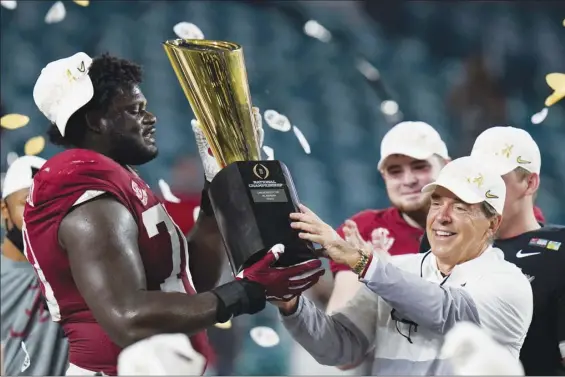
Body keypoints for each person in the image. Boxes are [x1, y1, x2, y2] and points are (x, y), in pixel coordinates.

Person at [24, 52, 324, 376]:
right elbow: (128, 317)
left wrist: (214, 192)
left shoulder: (118, 179)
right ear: (96, 120)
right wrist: (245, 291)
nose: (150, 118)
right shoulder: (85, 193)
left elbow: (187, 283)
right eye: (135, 110)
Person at [280, 156, 533, 375]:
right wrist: (291, 303)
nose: (442, 217)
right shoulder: (397, 269)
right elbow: (341, 348)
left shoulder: (508, 282)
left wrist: (362, 262)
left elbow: (447, 311)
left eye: (460, 207)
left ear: (493, 223)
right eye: (436, 202)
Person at [461, 126, 564, 375]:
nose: (484, 191)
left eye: (496, 180)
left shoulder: (561, 252)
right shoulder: (446, 243)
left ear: (530, 182)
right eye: (478, 179)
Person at [1, 156, 69, 376]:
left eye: (49, 205)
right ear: (4, 209)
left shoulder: (81, 269)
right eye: (27, 203)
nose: (38, 215)